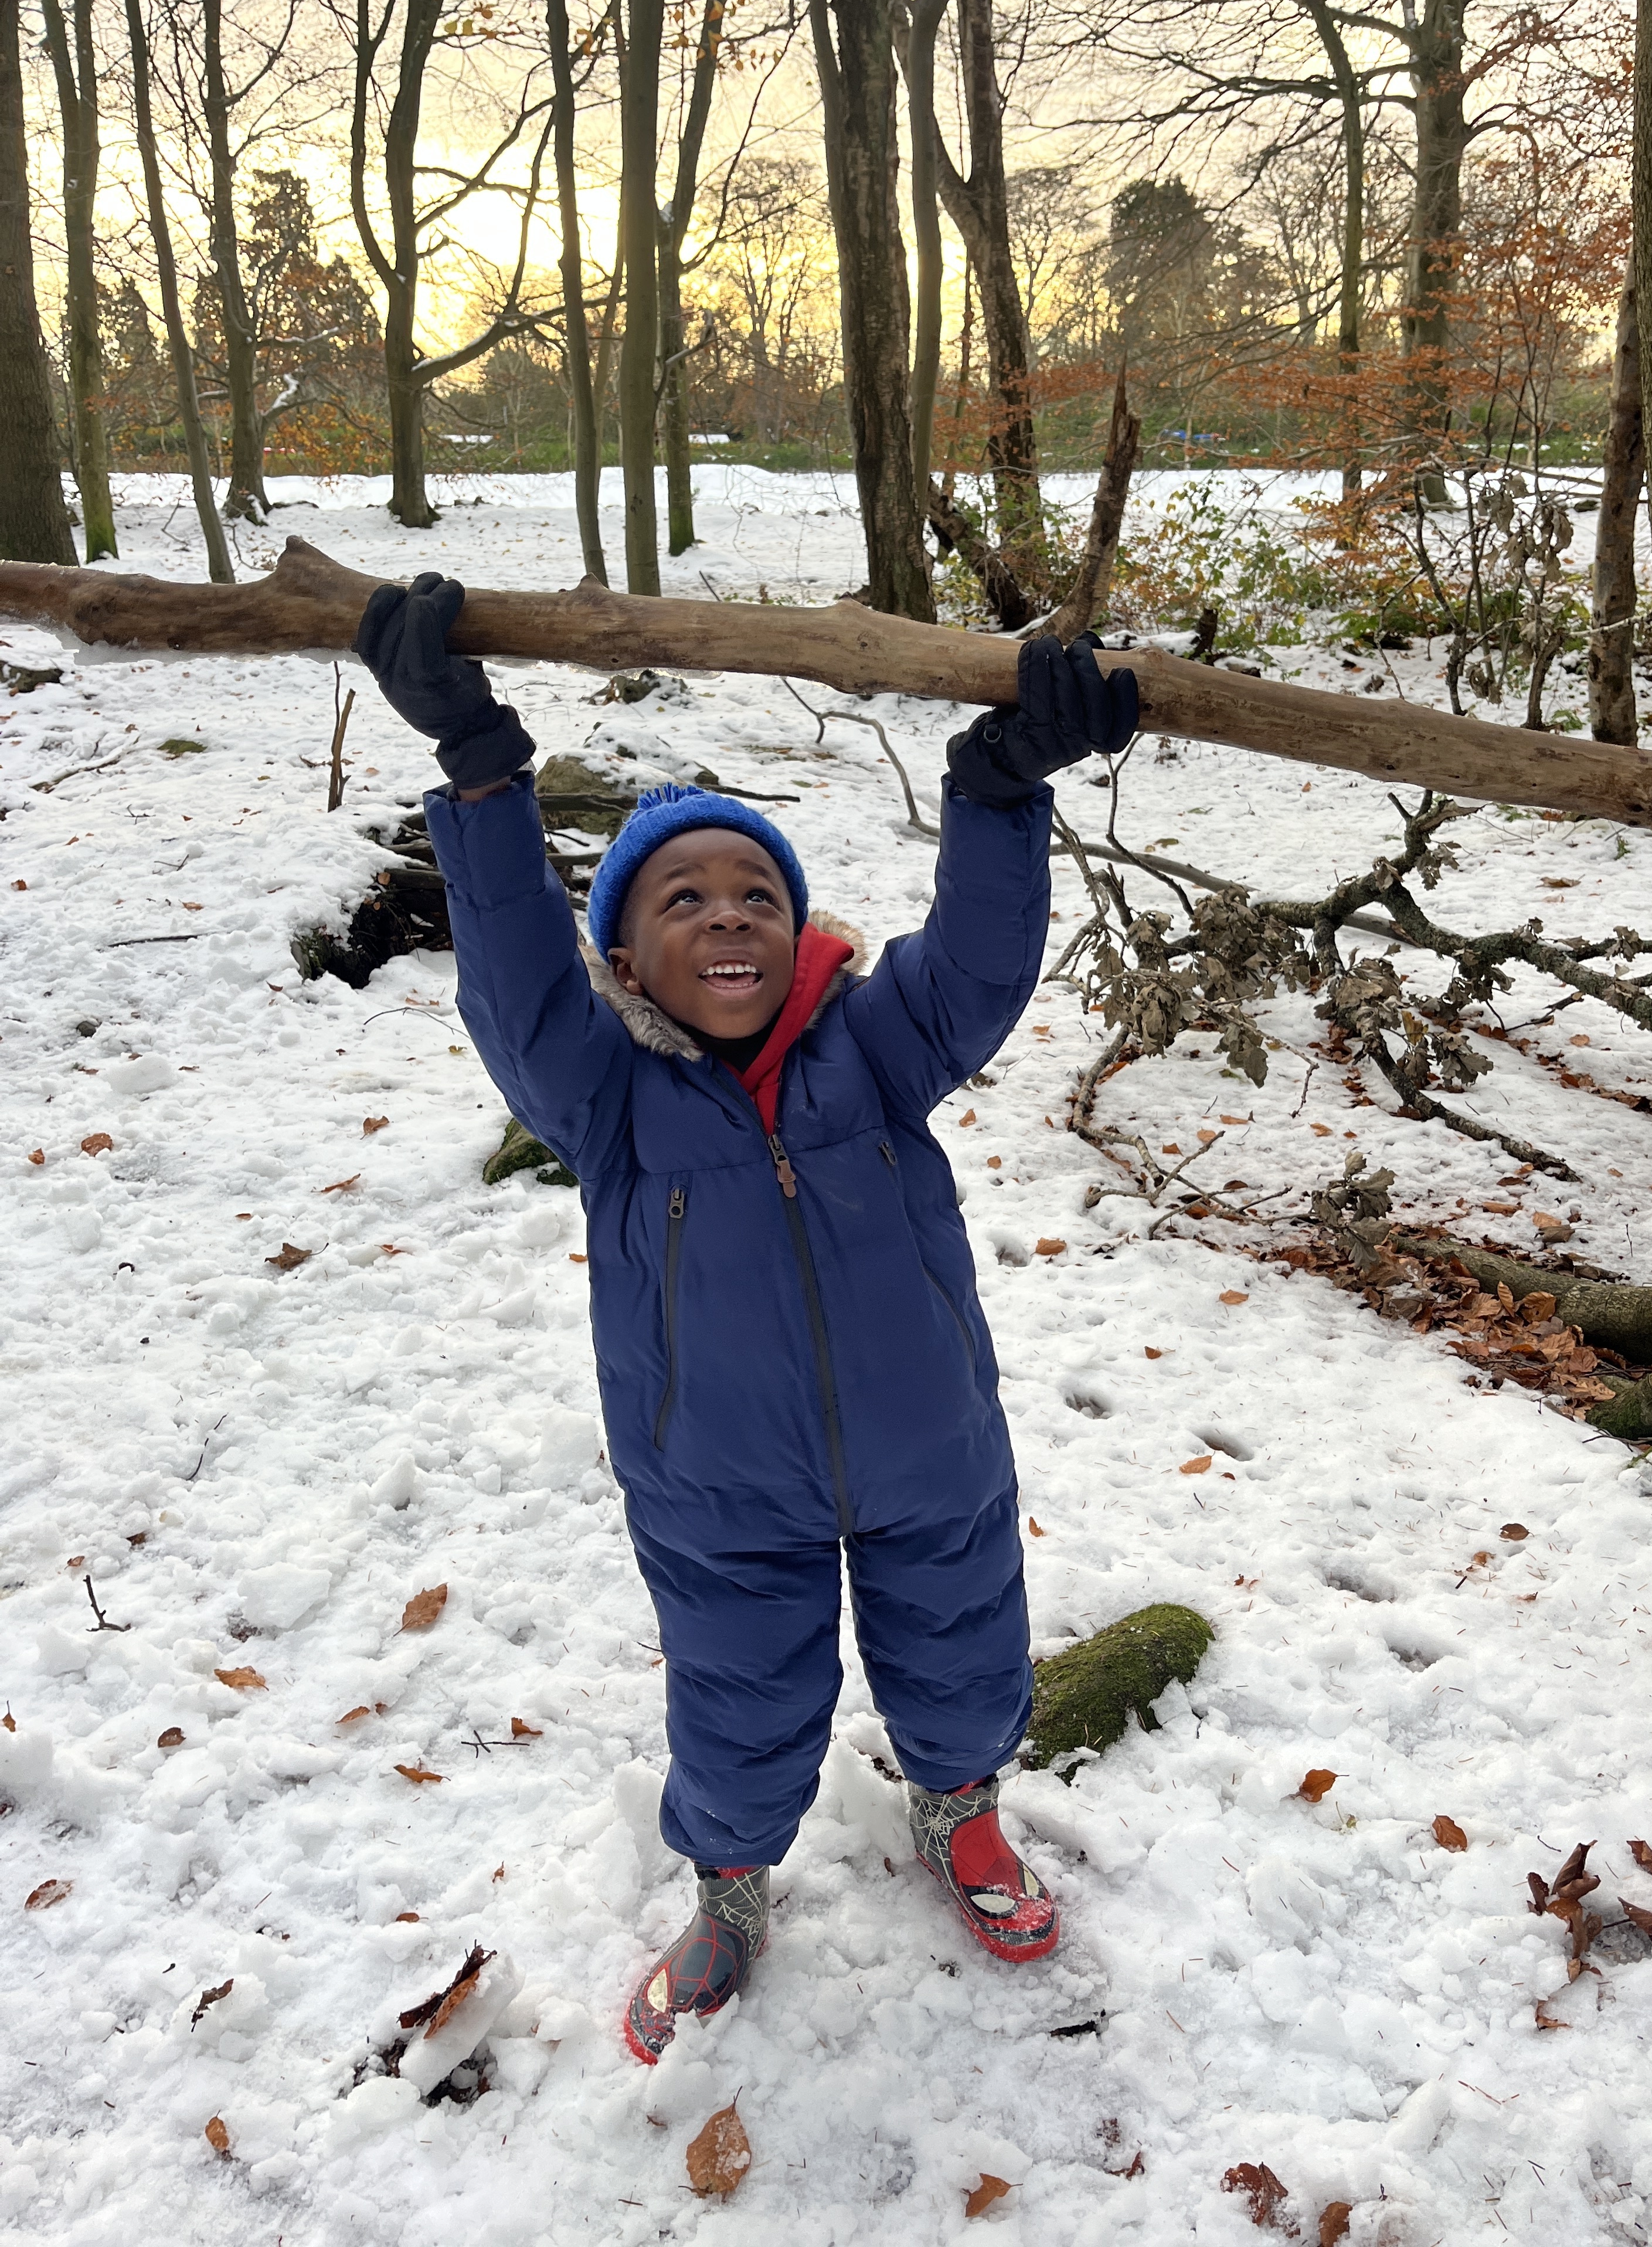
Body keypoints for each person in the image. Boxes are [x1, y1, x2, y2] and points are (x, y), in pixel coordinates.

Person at [354, 576, 1139, 2063]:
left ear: (799, 933)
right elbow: (517, 989)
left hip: (931, 1454)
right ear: (625, 962)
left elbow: (978, 964)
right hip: (718, 1491)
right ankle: (728, 1890)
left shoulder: (876, 1046)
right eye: (684, 901)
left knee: (968, 1663)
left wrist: (996, 791)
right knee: (739, 1708)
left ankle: (962, 1812)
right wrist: (483, 775)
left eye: (757, 897)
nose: (728, 914)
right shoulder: (607, 1100)